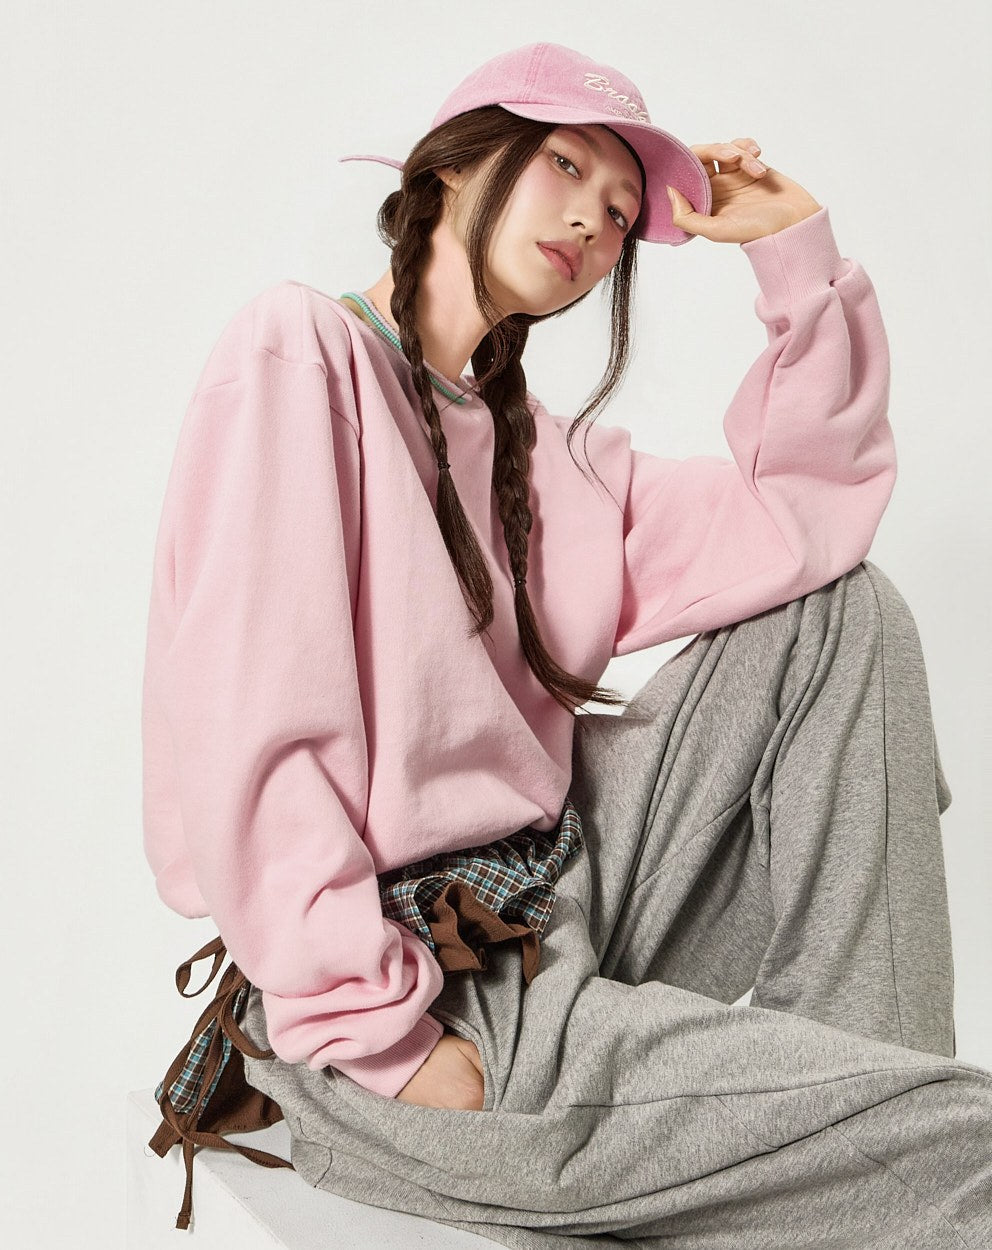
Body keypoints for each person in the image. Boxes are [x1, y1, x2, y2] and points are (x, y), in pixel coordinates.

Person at [142, 41, 992, 1249]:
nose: (593, 220)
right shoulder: (302, 352)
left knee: (844, 614)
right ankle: (879, 1140)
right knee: (966, 1137)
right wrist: (375, 1031)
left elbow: (804, 521)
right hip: (418, 986)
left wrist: (794, 258)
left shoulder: (543, 454)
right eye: (563, 165)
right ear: (454, 165)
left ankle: (867, 1104)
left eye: (620, 210)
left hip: (557, 897)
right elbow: (254, 721)